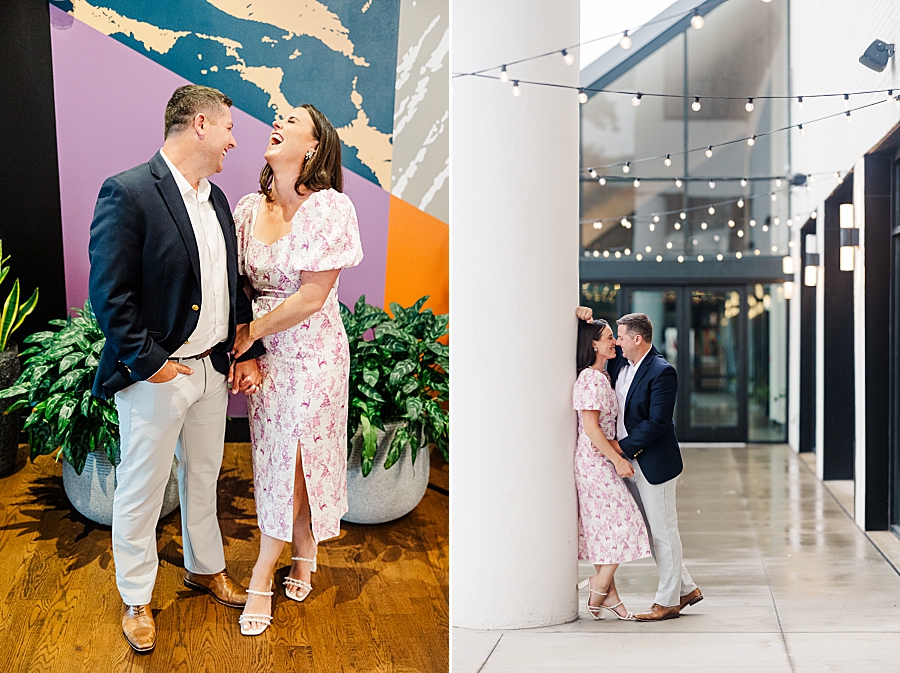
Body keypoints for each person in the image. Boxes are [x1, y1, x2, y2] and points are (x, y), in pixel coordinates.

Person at [89, 84, 264, 653]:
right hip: (158, 377)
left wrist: (243, 349)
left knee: (203, 477)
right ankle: (137, 597)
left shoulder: (215, 199)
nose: (236, 142)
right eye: (230, 129)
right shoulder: (129, 192)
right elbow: (111, 296)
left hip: (211, 372)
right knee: (141, 489)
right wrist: (151, 364)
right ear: (200, 125)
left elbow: (229, 282)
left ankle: (204, 567)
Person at [229, 103, 363, 636]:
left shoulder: (329, 209)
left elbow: (312, 296)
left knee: (301, 453)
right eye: (275, 118)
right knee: (274, 455)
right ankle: (303, 546)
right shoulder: (245, 209)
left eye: (291, 121)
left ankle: (264, 568)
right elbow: (237, 286)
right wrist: (249, 352)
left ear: (312, 146)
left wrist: (249, 335)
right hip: (267, 356)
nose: (276, 124)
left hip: (315, 352)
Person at [576, 308, 702, 621]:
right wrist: (583, 319)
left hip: (652, 463)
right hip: (624, 462)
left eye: (620, 337)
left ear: (637, 338)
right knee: (648, 529)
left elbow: (658, 423)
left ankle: (668, 601)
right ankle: (686, 588)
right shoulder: (620, 363)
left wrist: (620, 449)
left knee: (663, 531)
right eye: (613, 338)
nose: (616, 343)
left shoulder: (662, 371)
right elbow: (591, 347)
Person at [573, 319, 652, 621]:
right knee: (626, 521)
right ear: (593, 344)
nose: (615, 342)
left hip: (600, 458)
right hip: (595, 461)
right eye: (609, 337)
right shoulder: (591, 380)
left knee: (604, 530)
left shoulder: (603, 375)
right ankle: (598, 585)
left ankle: (610, 598)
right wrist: (618, 460)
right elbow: (591, 430)